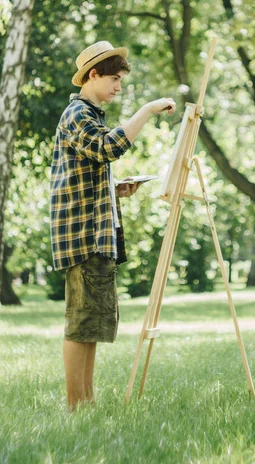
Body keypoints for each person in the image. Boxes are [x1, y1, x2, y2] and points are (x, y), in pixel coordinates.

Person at [49, 40, 176, 410]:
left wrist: (114, 188)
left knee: (90, 324)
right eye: (115, 79)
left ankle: (86, 402)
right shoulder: (77, 114)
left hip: (94, 233)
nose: (118, 88)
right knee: (80, 323)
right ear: (93, 75)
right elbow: (110, 148)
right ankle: (76, 406)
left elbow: (86, 170)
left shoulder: (90, 115)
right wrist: (147, 111)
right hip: (83, 236)